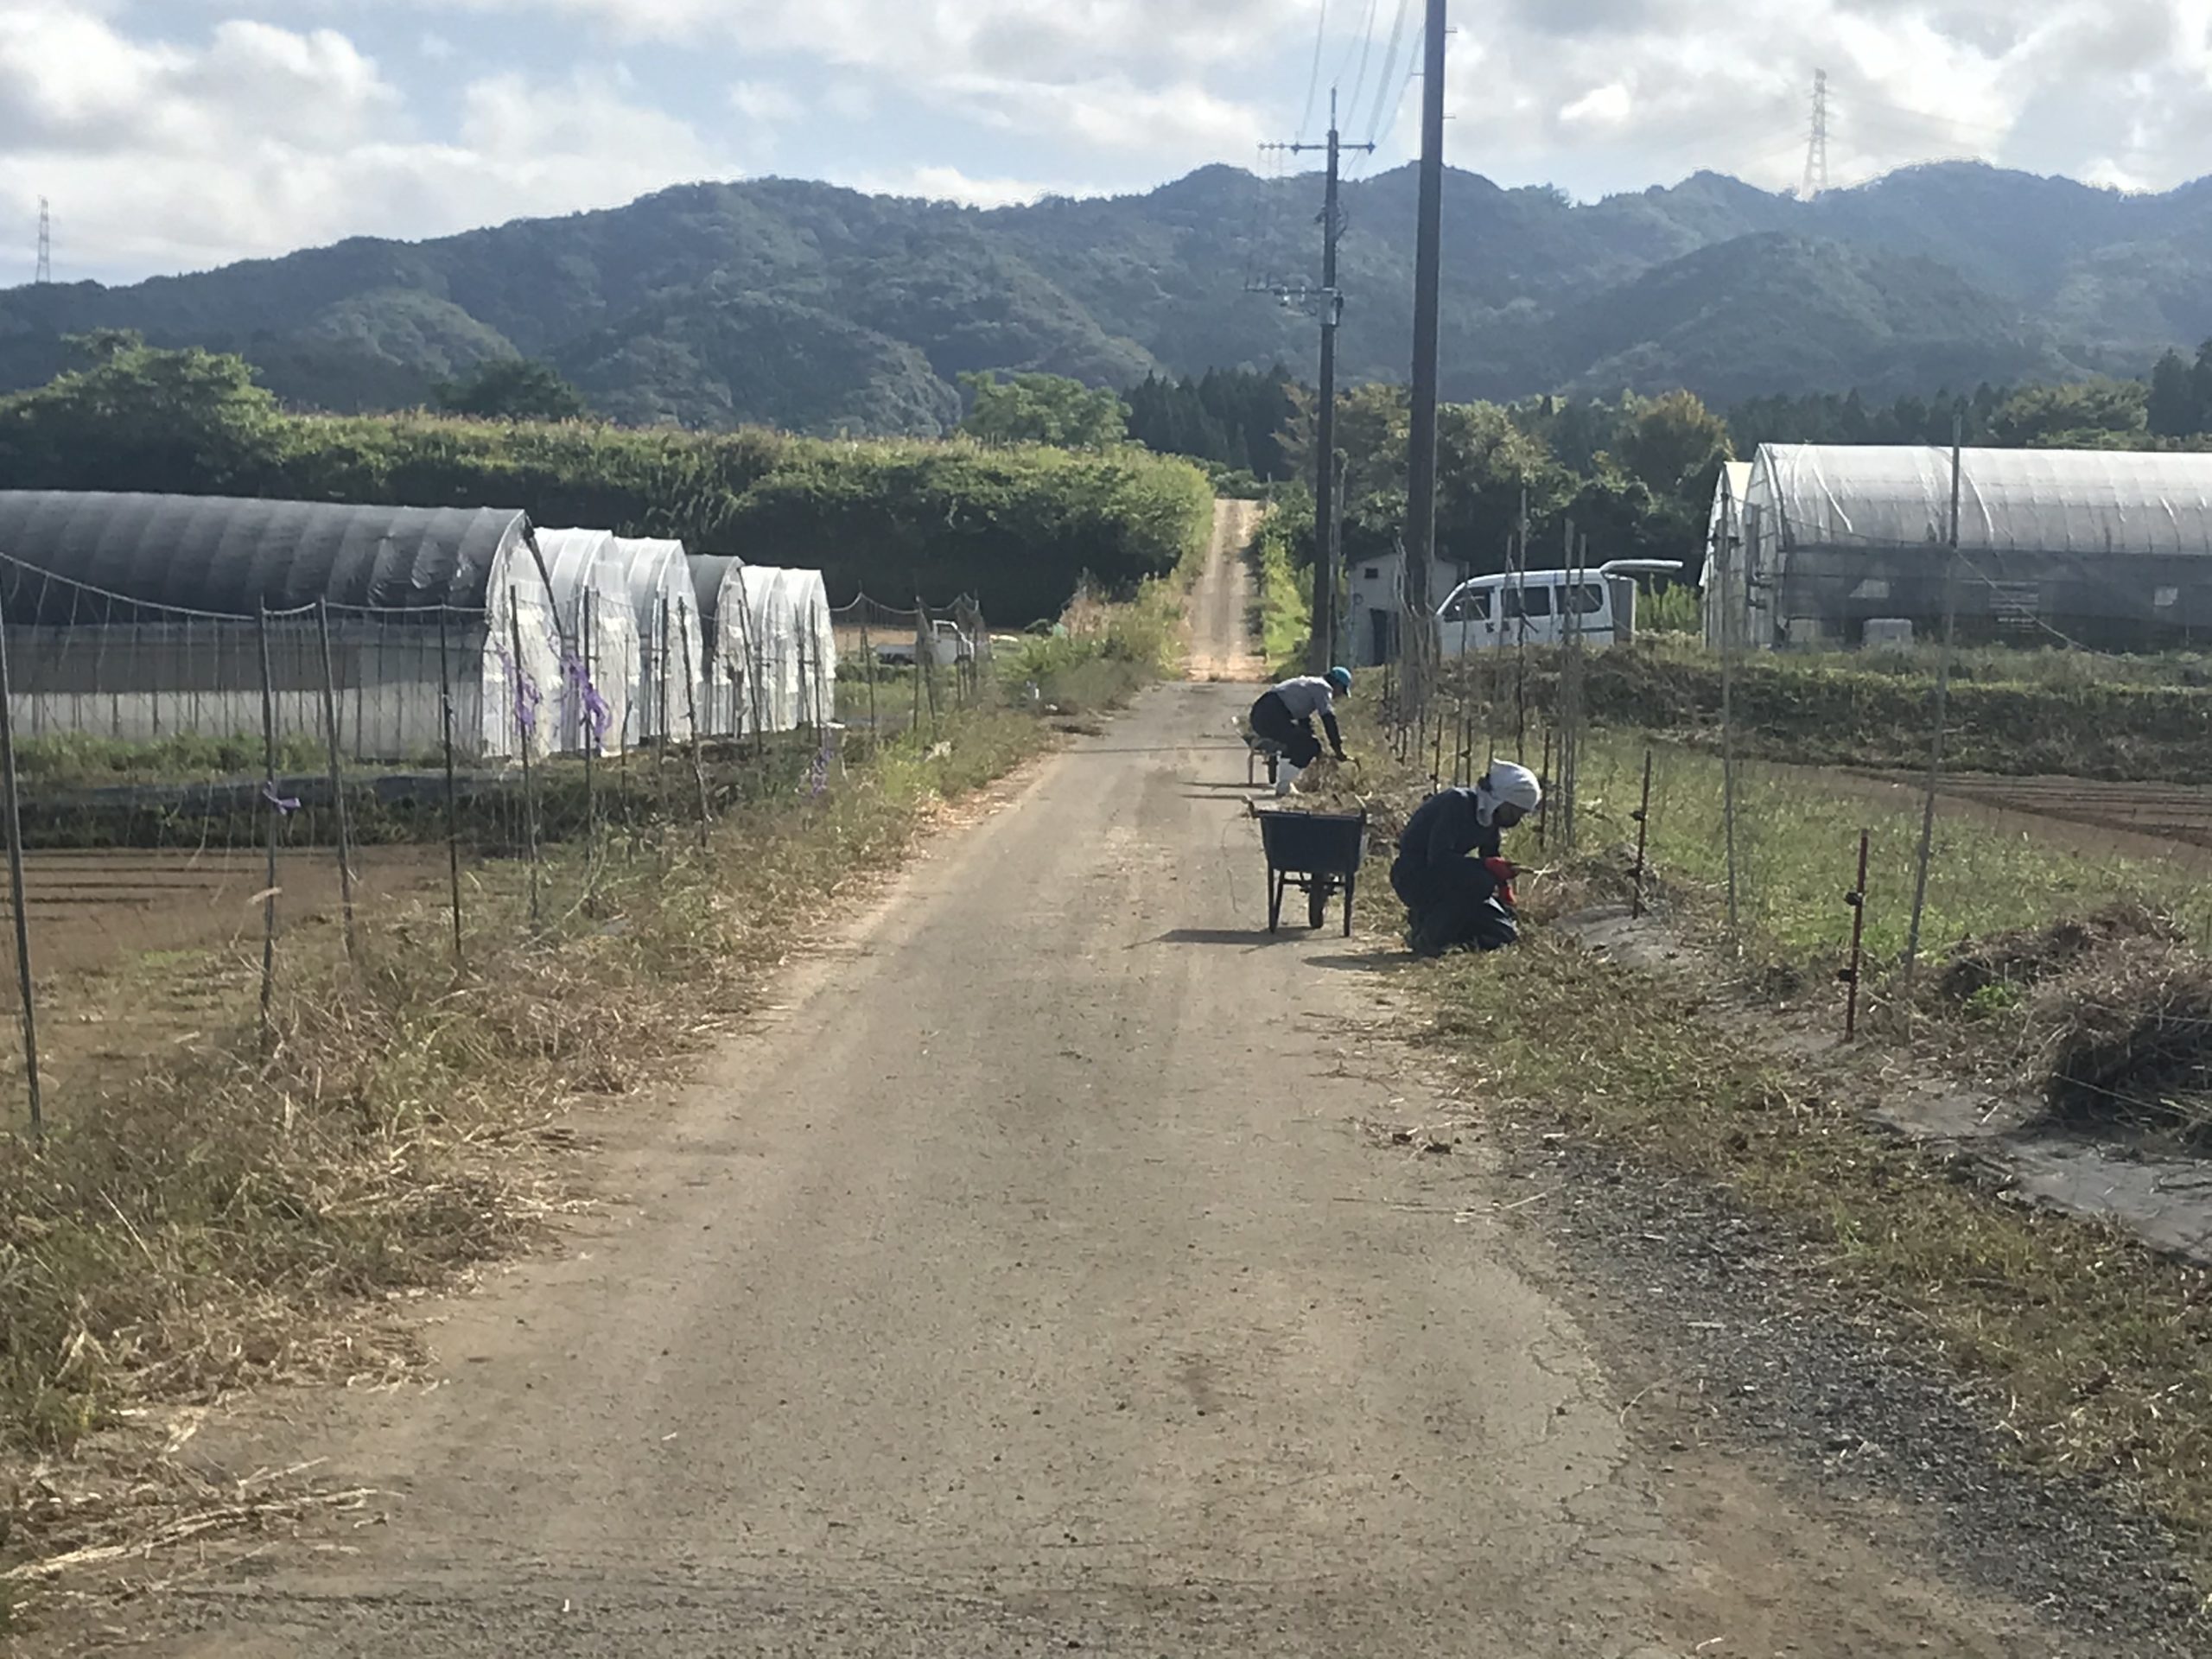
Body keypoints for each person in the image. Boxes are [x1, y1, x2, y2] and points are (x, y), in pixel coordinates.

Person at [1390, 761, 1543, 957]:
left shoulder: (1490, 818)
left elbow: (1490, 855)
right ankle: (1428, 937)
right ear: (1500, 799)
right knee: (1480, 882)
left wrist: (1504, 887)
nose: (1515, 820)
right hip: (1414, 876)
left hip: (1450, 880)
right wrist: (1489, 866)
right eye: (1514, 811)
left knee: (1503, 934)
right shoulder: (1457, 804)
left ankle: (1443, 930)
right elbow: (1438, 859)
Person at [1249, 667, 1351, 797]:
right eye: (1341, 690)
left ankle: (1284, 784)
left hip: (1262, 713)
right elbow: (1328, 718)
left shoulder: (1310, 684)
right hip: (1270, 714)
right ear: (1337, 684)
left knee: (1300, 741)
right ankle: (1284, 786)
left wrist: (1320, 748)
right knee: (1309, 746)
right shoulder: (1323, 688)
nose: (1339, 695)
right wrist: (1337, 748)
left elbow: (1304, 723)